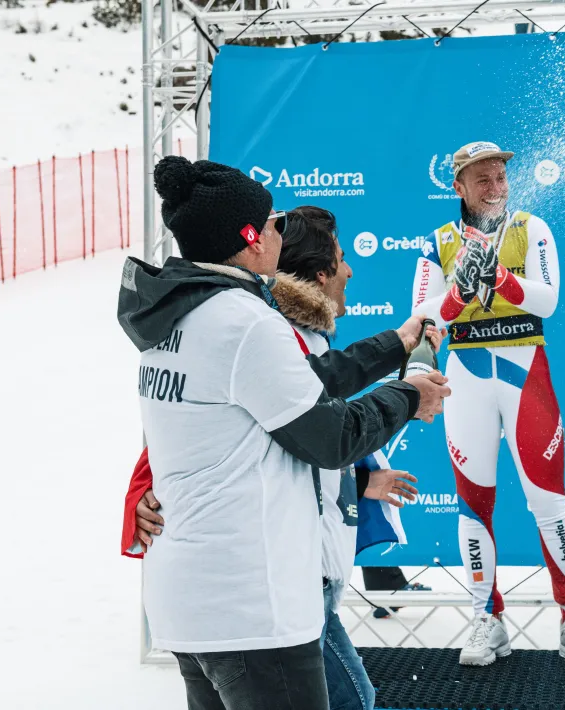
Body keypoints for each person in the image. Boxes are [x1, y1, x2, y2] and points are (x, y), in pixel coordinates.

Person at [118, 159, 449, 710]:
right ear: (249, 240)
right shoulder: (244, 323)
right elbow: (330, 437)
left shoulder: (174, 314)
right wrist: (410, 395)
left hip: (193, 601)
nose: (280, 232)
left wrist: (395, 343)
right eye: (274, 222)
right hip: (251, 608)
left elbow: (305, 385)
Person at [411, 141, 565, 669]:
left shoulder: (530, 227)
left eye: (500, 177)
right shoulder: (439, 242)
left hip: (526, 368)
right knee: (474, 503)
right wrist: (459, 288)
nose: (496, 188)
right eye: (483, 180)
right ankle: (486, 618)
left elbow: (548, 300)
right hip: (466, 376)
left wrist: (497, 276)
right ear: (458, 187)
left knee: (549, 500)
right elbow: (422, 321)